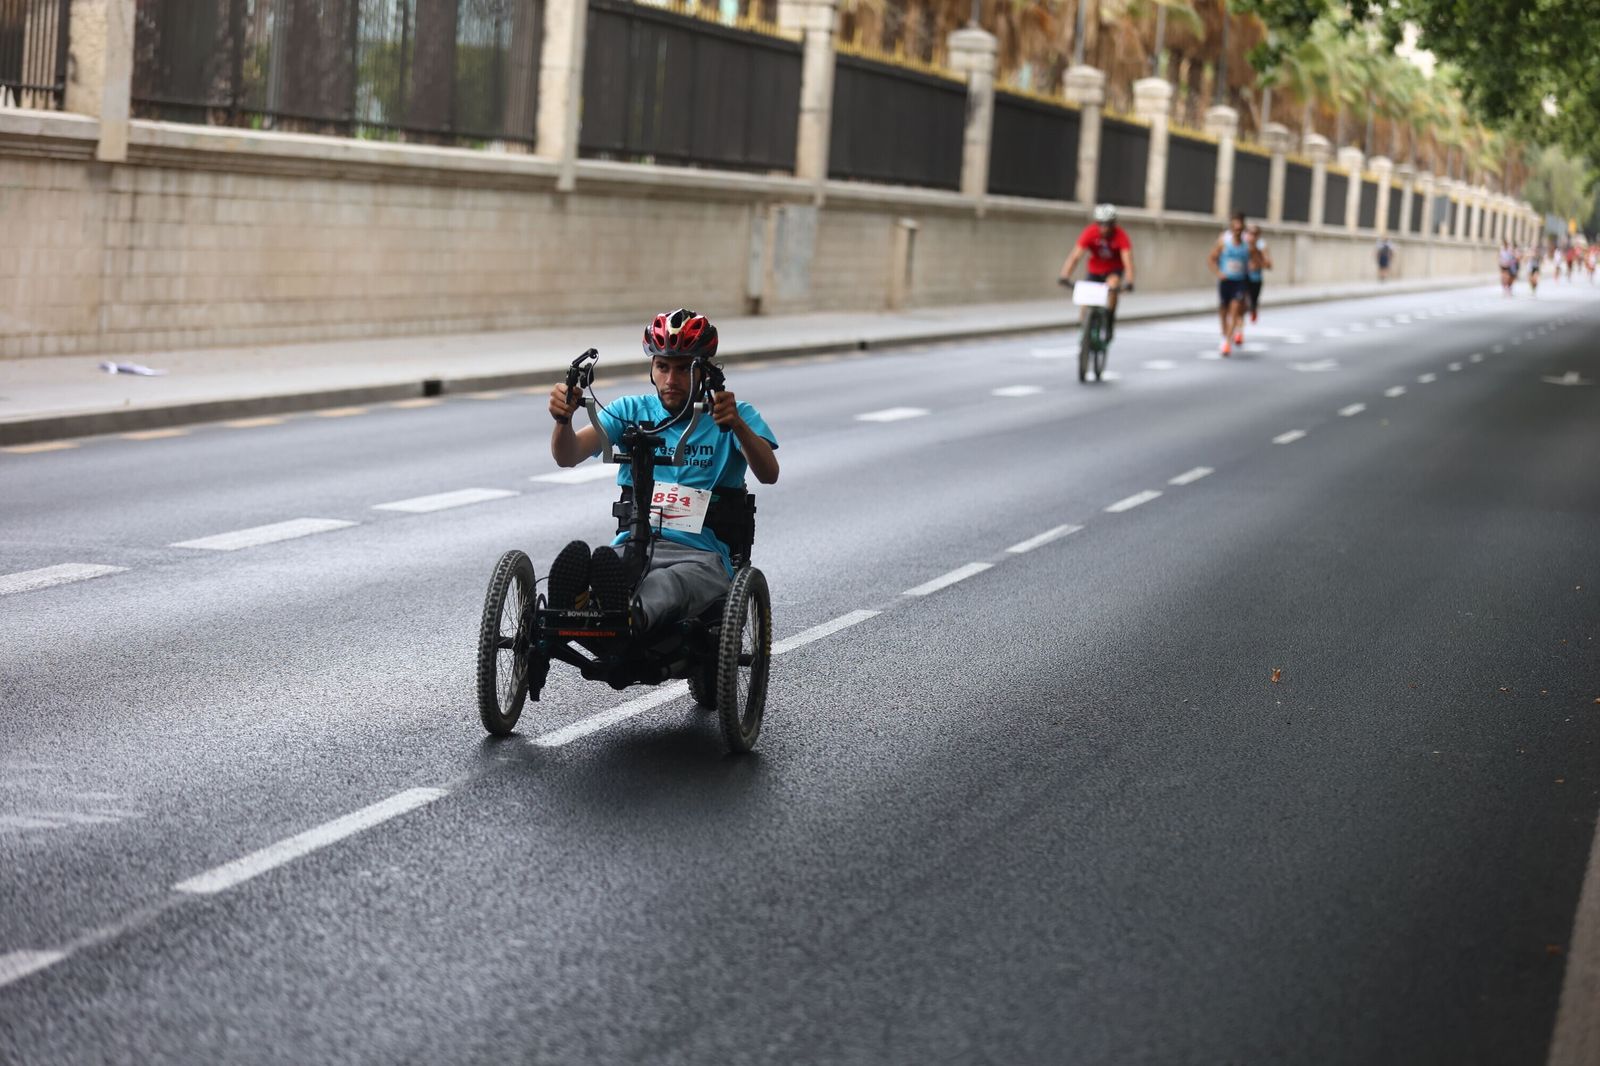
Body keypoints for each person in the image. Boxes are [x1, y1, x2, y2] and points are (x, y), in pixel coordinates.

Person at [545, 308, 779, 634]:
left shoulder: (734, 414)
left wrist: (737, 426)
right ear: (652, 368)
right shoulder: (629, 411)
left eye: (683, 369)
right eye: (663, 367)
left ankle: (629, 615)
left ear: (705, 371)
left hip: (701, 556)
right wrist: (563, 420)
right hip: (632, 546)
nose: (671, 380)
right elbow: (567, 455)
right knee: (611, 565)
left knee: (667, 582)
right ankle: (583, 605)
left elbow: (769, 473)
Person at [1058, 203, 1136, 347]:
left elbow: (1128, 261)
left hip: (1113, 270)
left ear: (1113, 224)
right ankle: (1084, 326)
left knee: (1113, 286)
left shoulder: (1120, 236)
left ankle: (1110, 321)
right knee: (1085, 296)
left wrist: (1130, 282)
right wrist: (1064, 276)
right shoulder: (1090, 232)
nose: (1104, 228)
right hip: (1095, 270)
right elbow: (1075, 256)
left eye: (1108, 224)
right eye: (1101, 224)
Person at [1207, 211, 1255, 356]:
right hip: (1225, 281)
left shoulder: (1247, 244)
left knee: (1234, 310)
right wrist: (1218, 273)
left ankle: (1227, 342)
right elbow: (1211, 259)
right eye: (1235, 227)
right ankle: (1224, 335)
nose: (1237, 230)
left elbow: (1256, 259)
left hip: (1239, 281)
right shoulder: (1224, 241)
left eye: (1240, 227)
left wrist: (1253, 265)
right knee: (1223, 311)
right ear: (1231, 227)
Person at [1245, 223, 1272, 324]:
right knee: (1239, 301)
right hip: (1242, 277)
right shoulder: (1242, 243)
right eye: (1249, 232)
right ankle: (1239, 328)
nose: (1251, 236)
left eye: (1254, 233)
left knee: (1253, 302)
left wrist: (1257, 265)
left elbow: (1269, 264)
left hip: (1255, 279)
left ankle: (1253, 309)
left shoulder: (1261, 245)